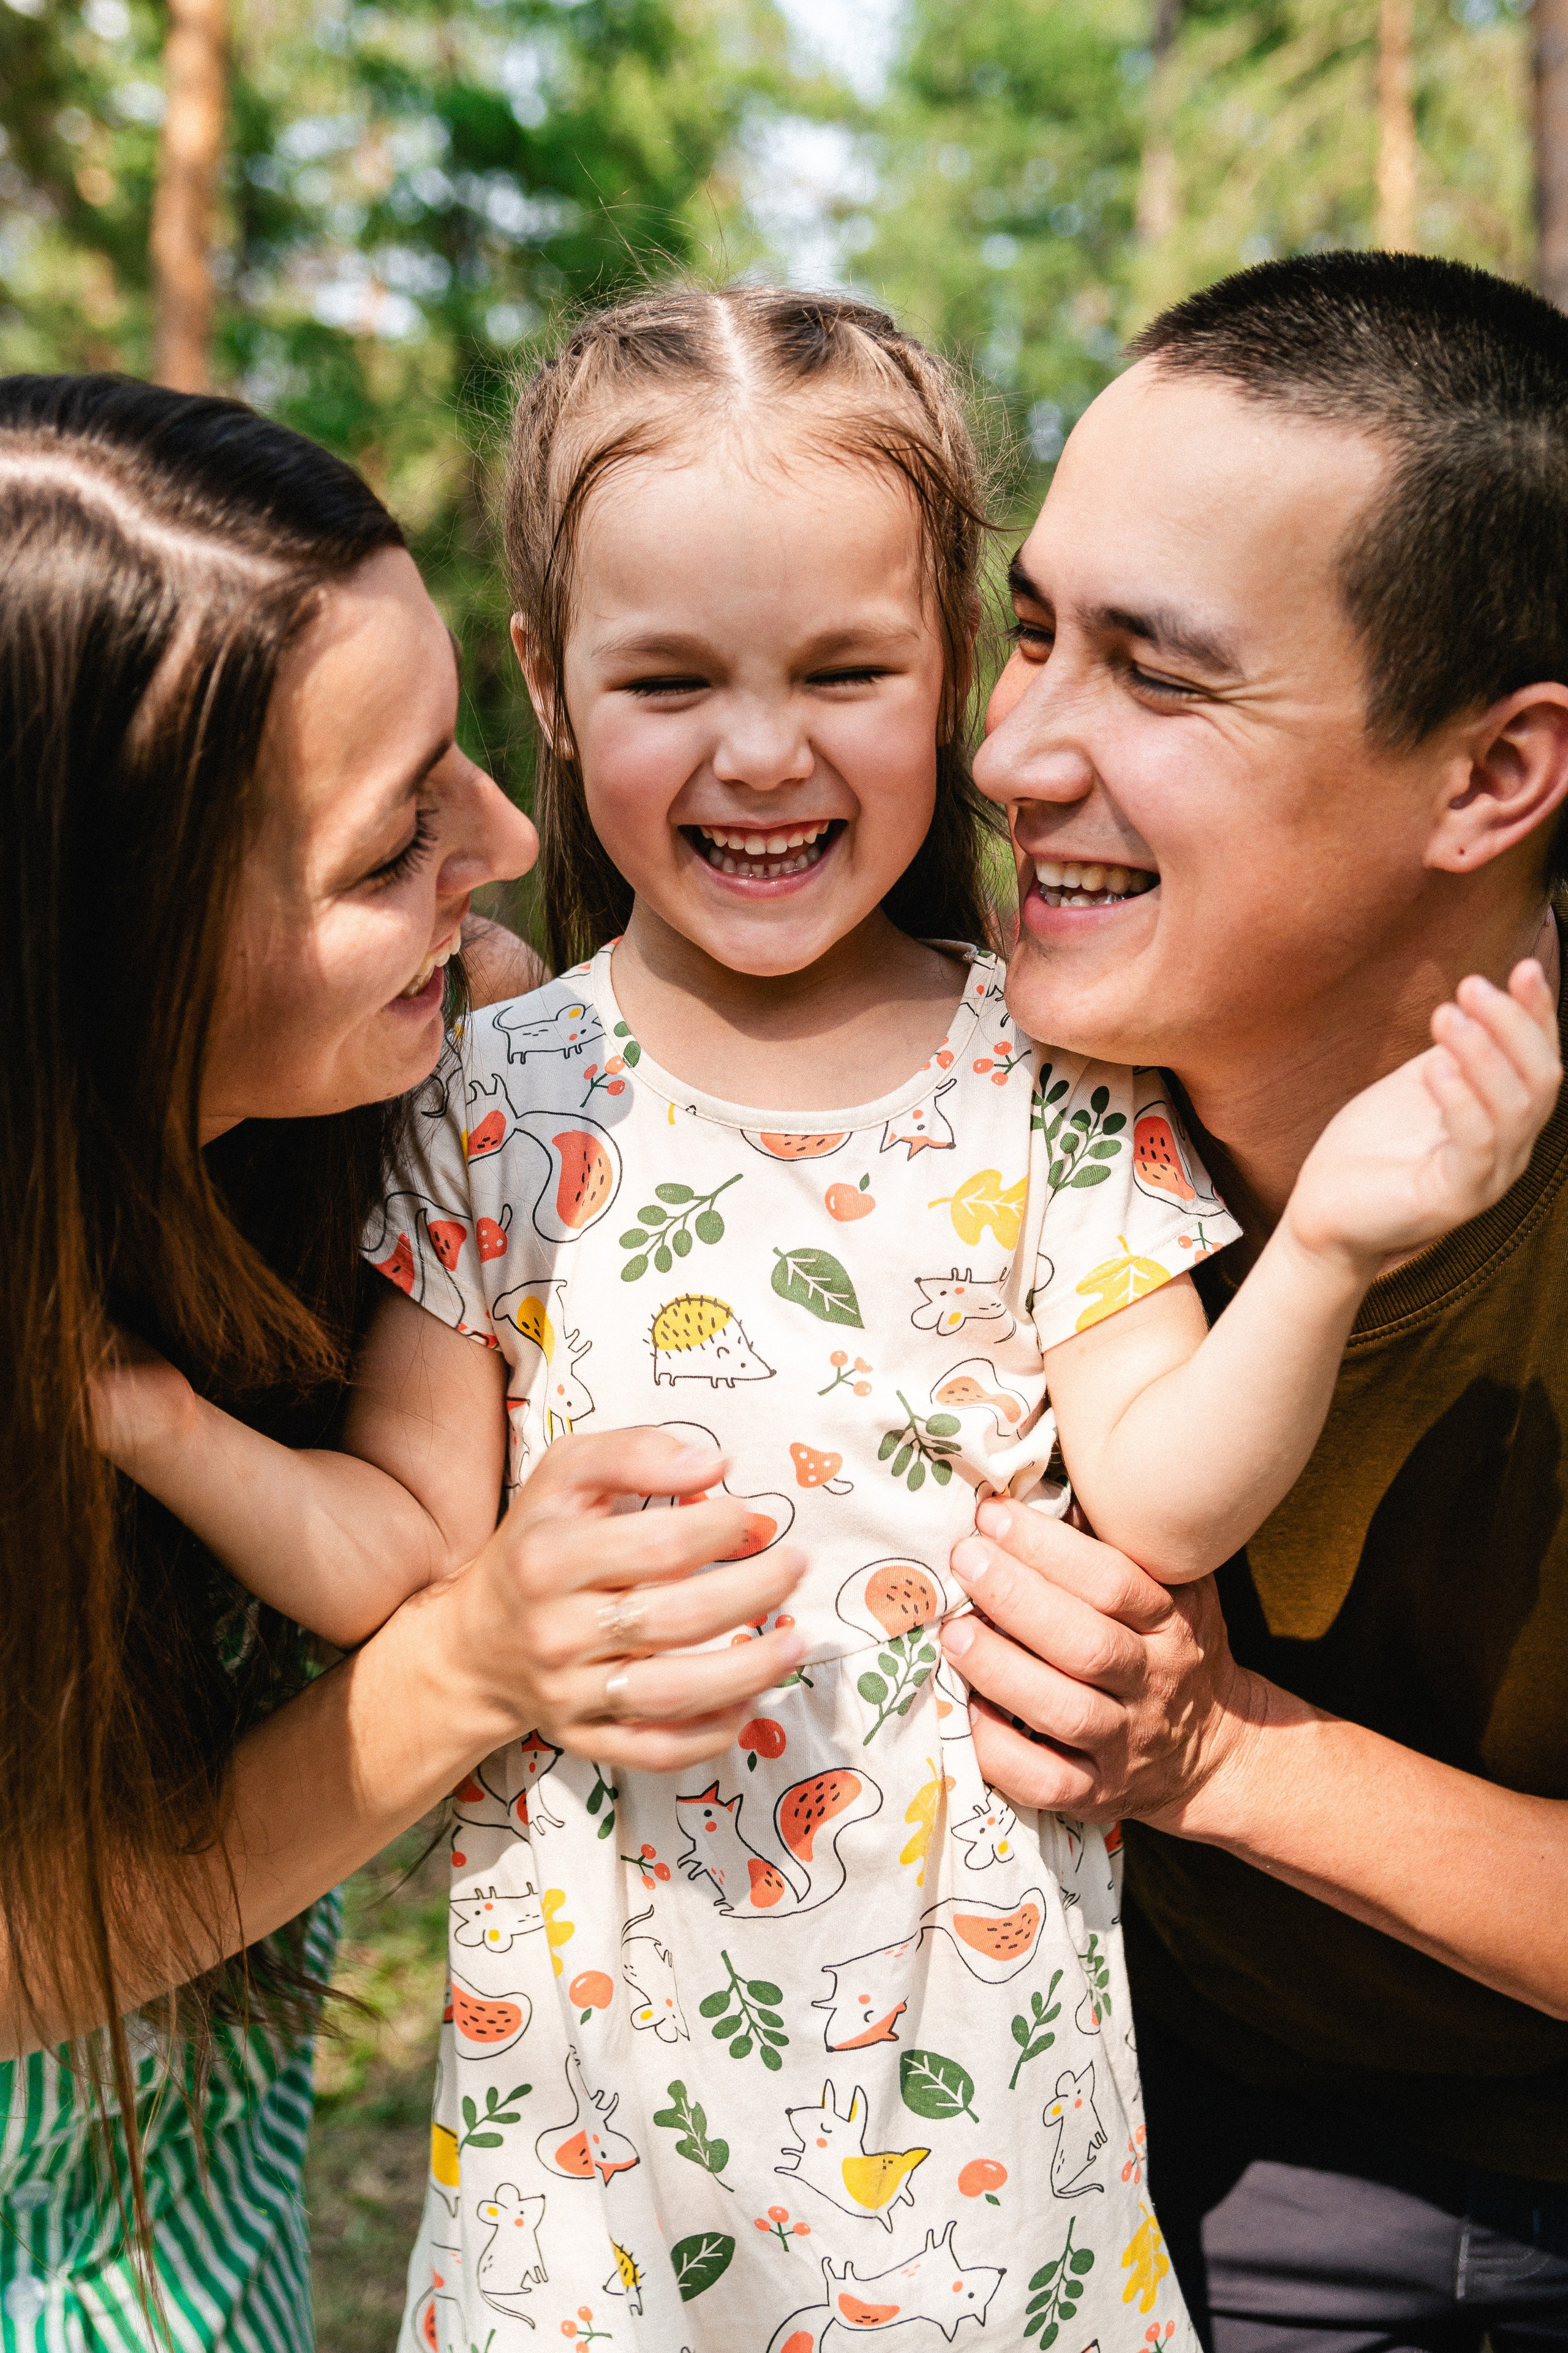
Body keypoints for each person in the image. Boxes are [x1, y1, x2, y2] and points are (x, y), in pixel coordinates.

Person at [97, 284, 1557, 2349]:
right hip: (599, 2144)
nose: (763, 750)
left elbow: (1164, 1502)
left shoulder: (1048, 1083)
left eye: (852, 669)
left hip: (975, 2132)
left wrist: (1319, 1253)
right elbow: (399, 1560)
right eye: (670, 676)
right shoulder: (500, 1089)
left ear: (937, 664)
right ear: (551, 682)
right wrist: (159, 1425)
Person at [0, 372, 802, 2351]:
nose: (511, 842)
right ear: (112, 946)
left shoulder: (431, 1081)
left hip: (198, 2193)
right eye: (388, 852)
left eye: (462, 757)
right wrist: (464, 1668)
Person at [946, 250, 1568, 2352]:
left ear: (1492, 780)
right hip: (1065, 2145)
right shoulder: (961, 1091)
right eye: (1028, 636)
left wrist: (1211, 1752)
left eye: (1157, 677)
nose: (1010, 753)